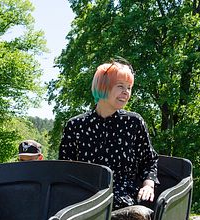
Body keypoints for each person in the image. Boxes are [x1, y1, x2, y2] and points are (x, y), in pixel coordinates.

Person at [58, 59, 159, 209]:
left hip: (122, 199)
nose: (126, 92)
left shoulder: (134, 122)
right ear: (103, 87)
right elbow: (65, 169)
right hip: (83, 199)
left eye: (129, 87)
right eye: (120, 86)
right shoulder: (75, 126)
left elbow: (149, 161)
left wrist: (148, 186)